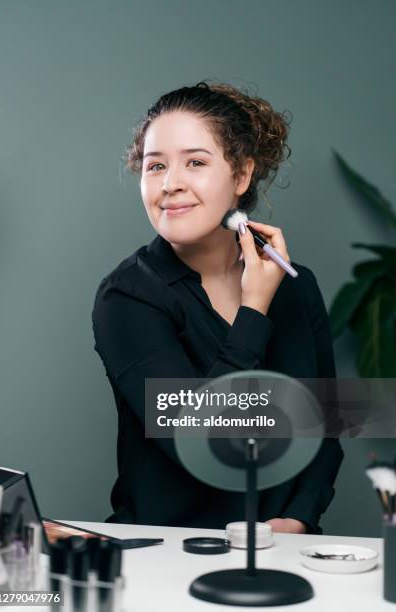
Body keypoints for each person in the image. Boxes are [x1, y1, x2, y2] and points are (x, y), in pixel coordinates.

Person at [92, 80, 344, 534]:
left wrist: (298, 520)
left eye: (195, 162)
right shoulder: (127, 298)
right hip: (167, 553)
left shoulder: (297, 286)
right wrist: (253, 311)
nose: (170, 184)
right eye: (155, 166)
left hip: (286, 550)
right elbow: (204, 444)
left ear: (242, 176)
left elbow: (324, 426)